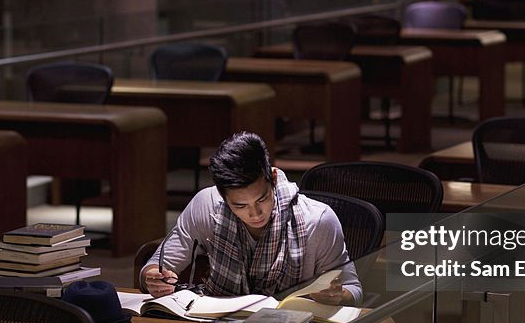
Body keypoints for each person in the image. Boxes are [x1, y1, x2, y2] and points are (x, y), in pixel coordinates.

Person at [140, 131, 362, 305]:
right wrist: (153, 278)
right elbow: (158, 265)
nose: (255, 214)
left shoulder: (318, 220)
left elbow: (353, 288)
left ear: (273, 178)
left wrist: (338, 295)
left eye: (262, 199)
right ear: (222, 195)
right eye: (240, 205)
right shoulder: (206, 205)